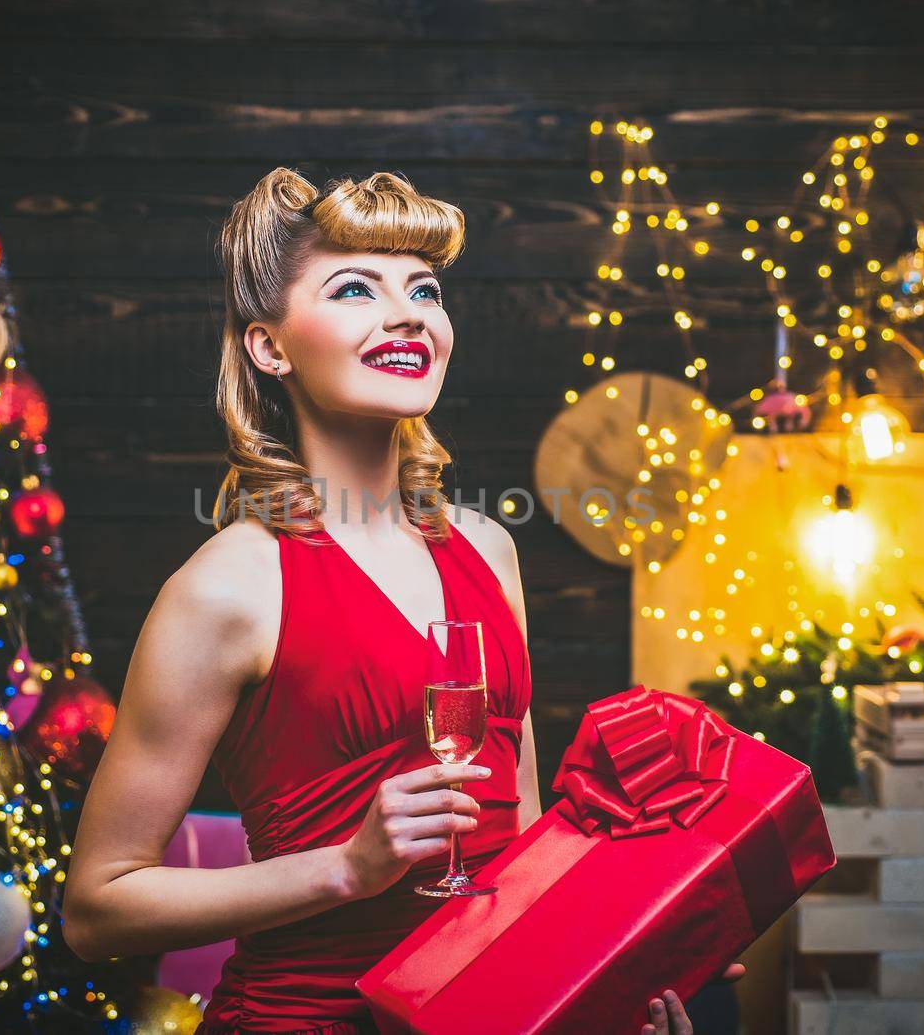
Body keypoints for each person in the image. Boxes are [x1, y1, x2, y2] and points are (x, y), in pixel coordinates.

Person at [60, 168, 742, 1034]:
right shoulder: (228, 585)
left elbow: (519, 848)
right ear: (270, 348)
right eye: (354, 288)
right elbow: (96, 910)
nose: (410, 313)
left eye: (424, 289)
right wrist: (346, 867)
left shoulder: (488, 550)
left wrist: (628, 953)